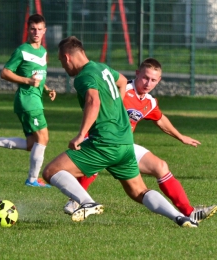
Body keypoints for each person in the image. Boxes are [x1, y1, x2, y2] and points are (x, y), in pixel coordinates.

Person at [42, 36, 198, 227]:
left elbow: (93, 101)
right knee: (139, 191)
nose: (63, 67)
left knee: (51, 171)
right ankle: (179, 217)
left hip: (104, 142)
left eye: (60, 61)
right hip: (125, 143)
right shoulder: (102, 68)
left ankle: (86, 202)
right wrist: (116, 106)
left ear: (67, 58)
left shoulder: (83, 77)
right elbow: (123, 81)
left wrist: (81, 135)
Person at [63, 57, 217, 223]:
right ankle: (75, 201)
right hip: (102, 139)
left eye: (153, 80)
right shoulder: (121, 89)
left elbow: (160, 119)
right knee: (94, 166)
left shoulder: (149, 102)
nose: (147, 83)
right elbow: (96, 104)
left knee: (161, 167)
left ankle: (189, 212)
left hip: (124, 145)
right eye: (145, 77)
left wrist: (180, 137)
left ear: (159, 81)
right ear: (137, 74)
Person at [0, 13, 56, 188]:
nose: (36, 32)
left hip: (34, 100)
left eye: (39, 29)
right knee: (43, 138)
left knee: (31, 144)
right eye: (33, 29)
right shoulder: (22, 51)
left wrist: (47, 89)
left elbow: (36, 75)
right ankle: (33, 180)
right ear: (28, 30)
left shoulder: (43, 52)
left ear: (44, 31)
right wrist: (28, 81)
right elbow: (5, 73)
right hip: (27, 101)